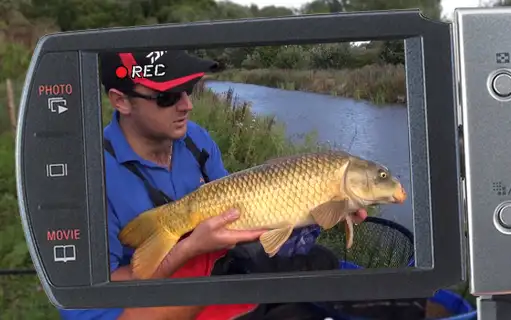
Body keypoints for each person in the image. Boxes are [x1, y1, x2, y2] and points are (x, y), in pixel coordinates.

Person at [57, 49, 368, 320]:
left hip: (217, 273)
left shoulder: (195, 139)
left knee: (322, 265)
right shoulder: (89, 179)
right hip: (151, 304)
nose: (187, 105)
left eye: (189, 89)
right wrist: (189, 248)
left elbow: (241, 212)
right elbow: (96, 297)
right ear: (121, 101)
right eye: (167, 96)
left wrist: (318, 205)